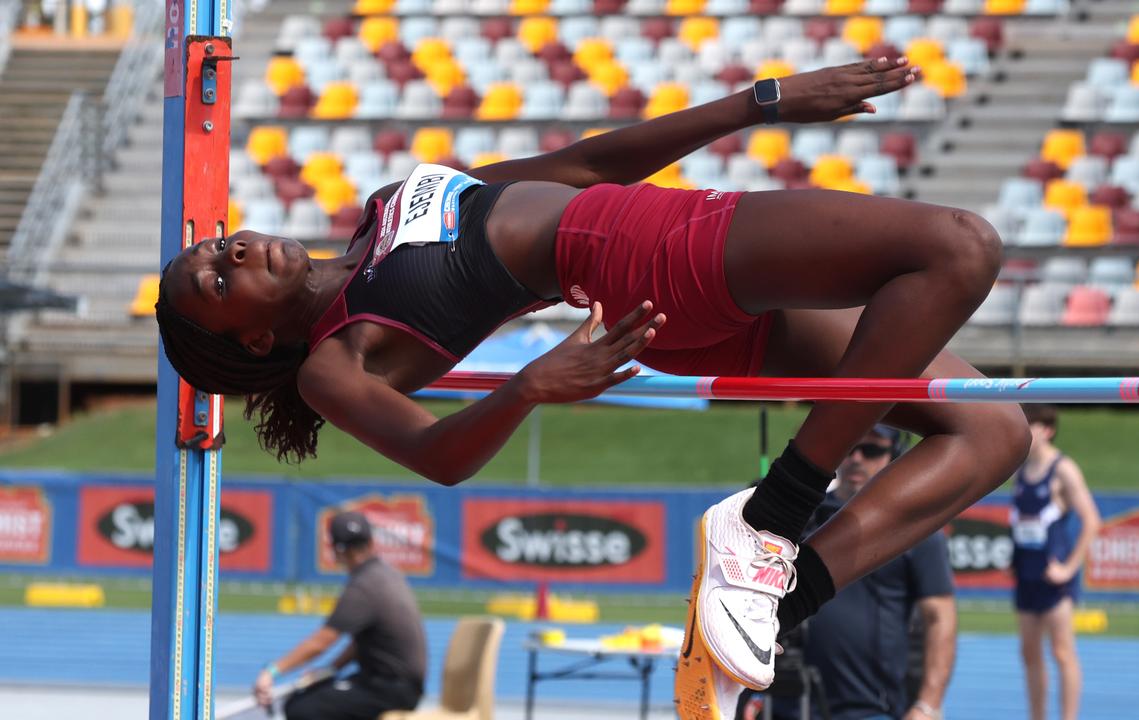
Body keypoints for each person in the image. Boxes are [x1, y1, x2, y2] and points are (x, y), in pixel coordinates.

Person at [155, 59, 1031, 720]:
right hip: (644, 259)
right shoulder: (332, 361)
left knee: (995, 434)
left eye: (220, 247)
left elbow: (585, 163)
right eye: (221, 284)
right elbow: (436, 455)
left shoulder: (387, 204)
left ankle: (773, 596)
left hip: (651, 252)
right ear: (255, 337)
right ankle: (774, 517)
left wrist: (761, 103)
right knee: (958, 247)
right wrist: (530, 386)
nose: (233, 255)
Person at [759, 426, 957, 720]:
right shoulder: (799, 520)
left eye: (872, 449)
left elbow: (939, 616)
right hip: (786, 702)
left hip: (873, 708)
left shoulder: (917, 527)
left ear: (894, 453)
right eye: (849, 447)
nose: (857, 458)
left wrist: (927, 705)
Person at [254, 511, 426, 719]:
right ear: (371, 542)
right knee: (311, 695)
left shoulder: (364, 586)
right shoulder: (387, 574)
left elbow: (322, 641)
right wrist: (330, 669)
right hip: (397, 684)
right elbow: (363, 643)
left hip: (390, 688)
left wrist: (271, 672)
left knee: (301, 709)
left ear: (336, 551)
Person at [1011, 405, 1100, 720]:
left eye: (1030, 426)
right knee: (1029, 653)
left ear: (1047, 429)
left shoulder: (1063, 469)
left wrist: (1069, 567)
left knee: (1062, 651)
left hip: (1054, 577)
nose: (1024, 432)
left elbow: (1091, 520)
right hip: (1026, 573)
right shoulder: (1020, 469)